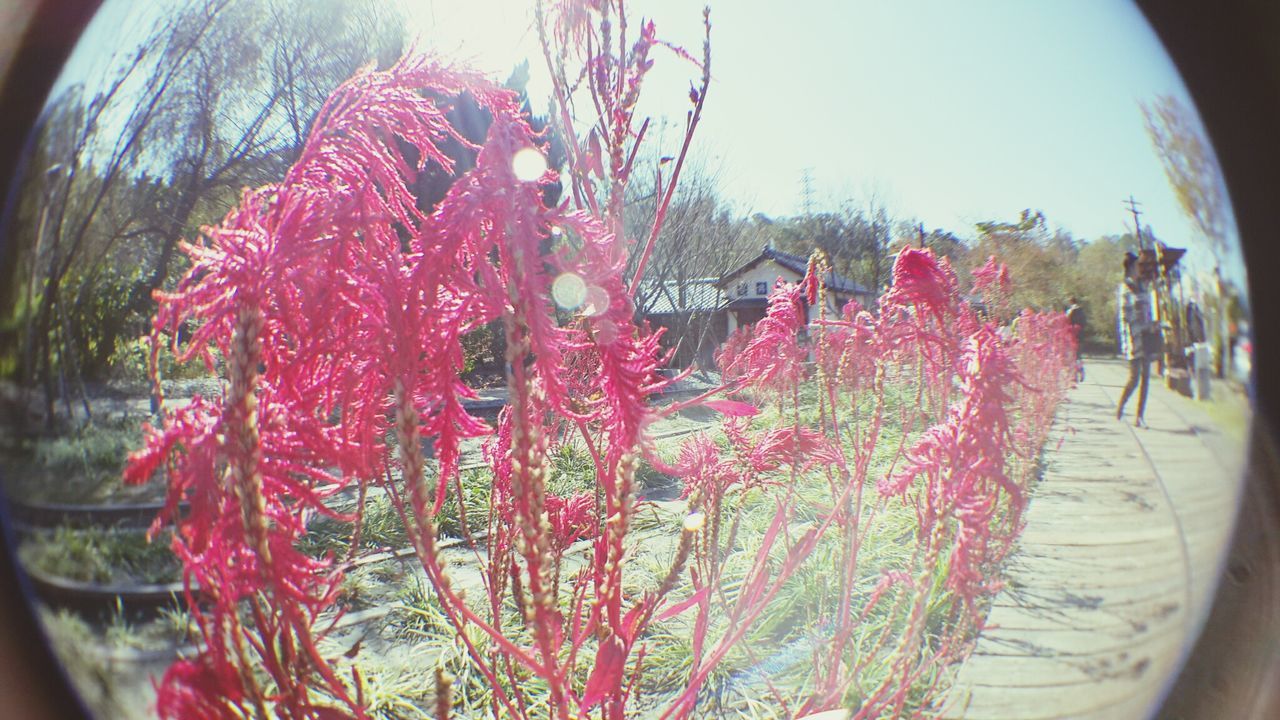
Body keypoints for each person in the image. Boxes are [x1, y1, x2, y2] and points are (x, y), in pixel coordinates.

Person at [1115, 252, 1160, 427]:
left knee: (1146, 378)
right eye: (1138, 266)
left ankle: (1139, 416)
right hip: (1134, 338)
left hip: (1147, 336)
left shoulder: (1143, 286)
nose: (1140, 269)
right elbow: (1125, 316)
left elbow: (1148, 311)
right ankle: (1121, 405)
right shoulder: (1125, 288)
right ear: (1131, 268)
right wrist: (1130, 336)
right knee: (1134, 378)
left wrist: (1153, 324)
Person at [1066, 296, 1086, 380]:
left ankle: (1074, 375)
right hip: (1080, 335)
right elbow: (1084, 323)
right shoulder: (1081, 311)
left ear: (1070, 302)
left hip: (1071, 335)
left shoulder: (1070, 311)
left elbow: (1066, 321)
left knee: (1072, 355)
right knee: (1078, 355)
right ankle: (1081, 370)